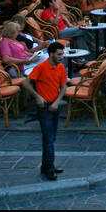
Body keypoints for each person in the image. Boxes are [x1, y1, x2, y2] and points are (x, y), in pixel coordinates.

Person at [25, 41, 68, 181]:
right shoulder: (42, 67)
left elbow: (63, 87)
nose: (62, 56)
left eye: (62, 54)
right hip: (44, 106)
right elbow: (26, 82)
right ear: (51, 54)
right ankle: (49, 168)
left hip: (54, 105)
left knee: (51, 137)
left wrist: (57, 102)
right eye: (59, 54)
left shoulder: (61, 67)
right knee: (48, 137)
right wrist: (37, 96)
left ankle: (46, 165)